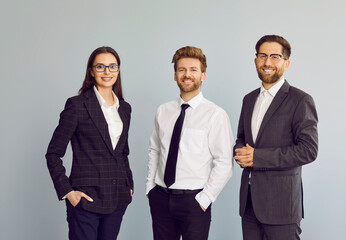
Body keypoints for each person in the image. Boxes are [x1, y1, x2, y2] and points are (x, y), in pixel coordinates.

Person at [234, 35, 318, 240]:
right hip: (249, 205)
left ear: (286, 63)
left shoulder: (300, 100)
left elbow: (308, 150)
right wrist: (239, 153)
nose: (267, 62)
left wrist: (257, 157)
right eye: (262, 56)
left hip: (282, 207)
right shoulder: (249, 99)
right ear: (255, 61)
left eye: (275, 56)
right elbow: (241, 139)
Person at [146, 46, 234, 240]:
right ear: (175, 75)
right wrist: (150, 188)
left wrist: (204, 199)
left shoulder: (215, 115)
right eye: (181, 70)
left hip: (194, 201)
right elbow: (155, 150)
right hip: (160, 196)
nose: (187, 75)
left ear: (203, 75)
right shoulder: (163, 111)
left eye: (193, 70)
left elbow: (225, 163)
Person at [46, 46, 133, 240]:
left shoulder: (125, 108)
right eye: (100, 66)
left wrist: (129, 183)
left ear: (118, 71)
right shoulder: (77, 105)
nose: (107, 71)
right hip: (86, 199)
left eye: (112, 66)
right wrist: (68, 192)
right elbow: (53, 153)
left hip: (117, 198)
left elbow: (122, 152)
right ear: (91, 71)